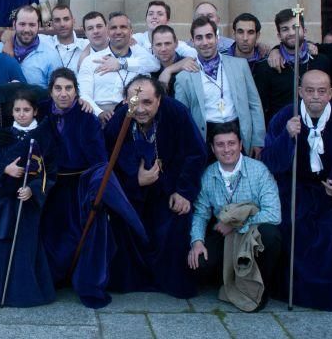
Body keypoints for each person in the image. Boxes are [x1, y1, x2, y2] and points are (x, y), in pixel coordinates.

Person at [262, 70, 332, 310]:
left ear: (330, 93)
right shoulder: (283, 118)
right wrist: (287, 137)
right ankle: (295, 291)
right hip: (296, 189)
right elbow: (271, 162)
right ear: (300, 91)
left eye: (321, 91)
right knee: (294, 226)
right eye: (309, 90)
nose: (315, 97)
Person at [103, 77, 206, 299]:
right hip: (135, 192)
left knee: (175, 222)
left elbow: (196, 153)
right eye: (134, 102)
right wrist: (135, 180)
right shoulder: (122, 117)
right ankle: (132, 280)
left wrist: (184, 192)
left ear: (159, 99)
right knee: (123, 223)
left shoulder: (177, 113)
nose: (140, 109)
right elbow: (107, 159)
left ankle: (167, 282)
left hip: (170, 190)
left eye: (147, 102)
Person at [188, 123, 282, 312]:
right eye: (220, 145)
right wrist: (197, 242)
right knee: (200, 266)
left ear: (240, 145)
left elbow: (273, 213)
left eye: (231, 143)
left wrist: (236, 225)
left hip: (253, 233)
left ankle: (261, 286)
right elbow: (200, 213)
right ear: (213, 149)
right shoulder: (209, 175)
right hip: (225, 236)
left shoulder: (259, 171)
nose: (227, 149)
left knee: (271, 235)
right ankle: (228, 280)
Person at [0, 89, 57, 307]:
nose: (22, 114)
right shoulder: (2, 135)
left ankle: (28, 292)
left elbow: (49, 171)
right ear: (11, 112)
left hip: (28, 203)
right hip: (5, 200)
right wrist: (5, 169)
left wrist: (33, 189)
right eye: (17, 110)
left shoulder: (44, 137)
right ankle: (2, 292)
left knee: (27, 246)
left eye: (26, 110)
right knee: (5, 245)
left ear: (35, 111)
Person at [39, 69, 107, 283]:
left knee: (74, 233)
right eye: (58, 88)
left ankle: (74, 275)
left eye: (69, 88)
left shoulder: (87, 118)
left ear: (76, 92)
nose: (63, 93)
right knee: (49, 233)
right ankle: (52, 277)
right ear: (50, 91)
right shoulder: (40, 111)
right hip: (47, 184)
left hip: (77, 185)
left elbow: (99, 158)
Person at [175, 16, 265, 156]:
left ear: (217, 38)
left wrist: (258, 140)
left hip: (238, 131)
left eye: (209, 36)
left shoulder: (240, 65)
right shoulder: (183, 77)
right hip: (205, 137)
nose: (205, 42)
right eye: (199, 38)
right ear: (192, 42)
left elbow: (254, 104)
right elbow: (181, 119)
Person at [77, 12, 159, 123]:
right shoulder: (91, 60)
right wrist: (99, 113)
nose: (118, 31)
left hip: (131, 116)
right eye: (113, 28)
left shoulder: (140, 59)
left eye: (123, 27)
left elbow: (154, 65)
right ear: (107, 32)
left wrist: (121, 63)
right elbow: (83, 94)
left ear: (131, 31)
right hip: (97, 118)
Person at [254, 8, 330, 124]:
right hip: (281, 130)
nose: (291, 33)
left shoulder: (321, 61)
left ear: (304, 31)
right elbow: (261, 108)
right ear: (279, 35)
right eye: (285, 29)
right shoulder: (267, 67)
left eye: (296, 27)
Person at [0, 5, 63, 88]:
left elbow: (58, 90)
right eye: (22, 24)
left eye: (32, 25)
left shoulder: (50, 56)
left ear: (38, 25)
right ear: (14, 24)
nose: (26, 30)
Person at [132, 0, 197, 59]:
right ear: (146, 19)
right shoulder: (137, 39)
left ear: (167, 20)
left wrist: (173, 68)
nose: (154, 17)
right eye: (150, 14)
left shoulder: (173, 43)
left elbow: (193, 54)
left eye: (160, 14)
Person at [150, 25, 199, 96]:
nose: (163, 49)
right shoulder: (149, 71)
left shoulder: (188, 67)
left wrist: (168, 70)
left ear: (176, 44)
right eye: (158, 44)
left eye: (167, 43)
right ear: (152, 47)